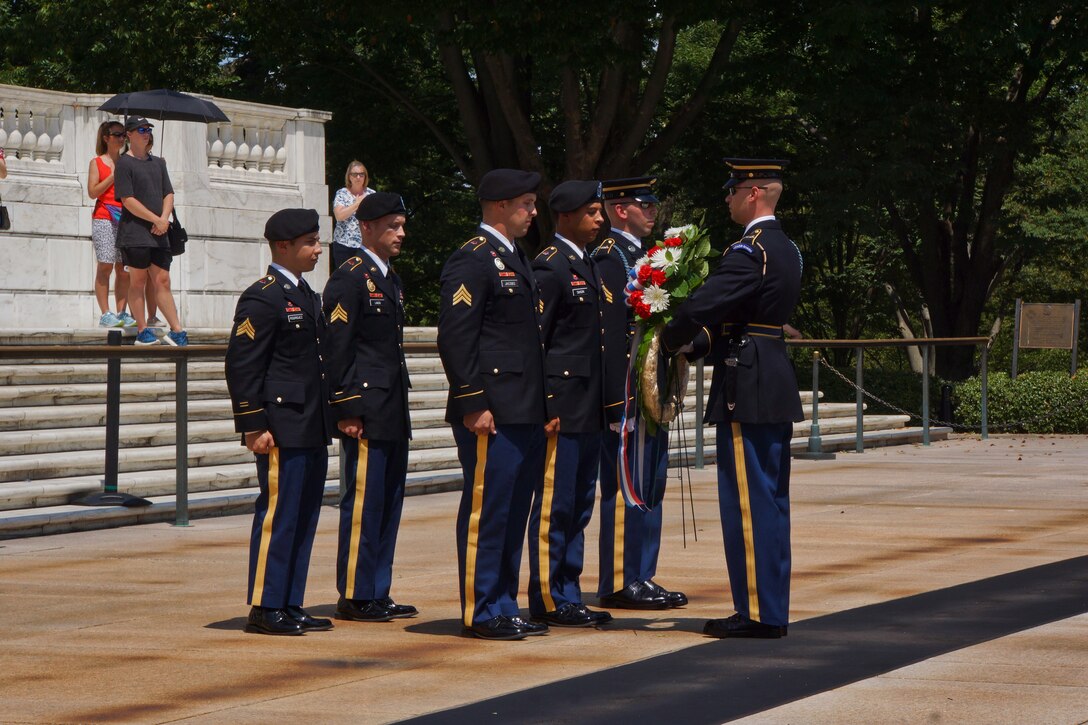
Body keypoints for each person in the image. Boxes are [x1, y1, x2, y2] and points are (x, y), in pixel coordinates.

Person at [661, 158, 804, 639]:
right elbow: (744, 317)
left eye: (733, 190)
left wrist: (669, 335)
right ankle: (769, 608)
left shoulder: (751, 250)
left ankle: (758, 614)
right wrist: (698, 342)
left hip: (748, 382)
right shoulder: (786, 248)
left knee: (748, 503)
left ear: (755, 194)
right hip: (770, 372)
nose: (727, 199)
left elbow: (705, 303)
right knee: (770, 500)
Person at [437, 168, 558, 641]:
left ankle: (504, 602)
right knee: (488, 509)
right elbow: (457, 336)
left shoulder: (515, 257)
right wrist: (472, 400)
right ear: (499, 205)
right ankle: (481, 608)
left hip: (523, 407)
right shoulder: (472, 259)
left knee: (512, 510)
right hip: (491, 409)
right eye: (526, 204)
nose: (532, 212)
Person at [225, 208, 334, 636]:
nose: (317, 249)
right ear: (283, 247)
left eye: (317, 240)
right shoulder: (263, 296)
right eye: (309, 242)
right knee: (279, 514)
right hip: (280, 423)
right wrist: (253, 423)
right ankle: (266, 604)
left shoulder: (307, 294)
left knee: (304, 515)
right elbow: (243, 364)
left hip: (309, 420)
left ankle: (290, 599)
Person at [592, 176, 687, 610]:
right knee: (626, 484)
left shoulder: (649, 257)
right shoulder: (610, 258)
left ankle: (643, 573)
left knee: (651, 482)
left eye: (652, 204)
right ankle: (618, 580)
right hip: (628, 390)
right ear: (619, 209)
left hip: (651, 385)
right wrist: (616, 401)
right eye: (643, 204)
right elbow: (611, 335)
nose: (651, 211)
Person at [323, 192, 417, 623]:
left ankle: (378, 589)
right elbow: (338, 348)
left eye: (401, 225)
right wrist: (346, 407)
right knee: (362, 502)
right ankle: (357, 593)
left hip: (391, 404)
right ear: (366, 228)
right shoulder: (350, 276)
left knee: (388, 501)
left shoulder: (389, 278)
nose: (400, 234)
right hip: (365, 406)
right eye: (392, 226)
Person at [527, 180, 614, 628]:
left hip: (588, 404)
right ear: (564, 216)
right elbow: (537, 341)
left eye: (600, 212)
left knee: (580, 503)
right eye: (592, 212)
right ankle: (547, 595)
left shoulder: (587, 263)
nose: (601, 219)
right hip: (562, 404)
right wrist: (546, 404)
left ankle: (568, 589)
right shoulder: (551, 266)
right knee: (555, 505)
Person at [113, 117, 186, 346]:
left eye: (148, 129)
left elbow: (169, 193)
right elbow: (127, 200)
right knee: (137, 281)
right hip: (135, 233)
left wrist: (164, 219)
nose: (146, 133)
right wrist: (156, 219)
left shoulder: (159, 163)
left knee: (162, 280)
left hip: (159, 232)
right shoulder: (124, 163)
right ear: (130, 134)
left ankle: (177, 329)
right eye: (141, 129)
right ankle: (142, 330)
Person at [87, 120, 134, 328]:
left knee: (124, 269)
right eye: (117, 134)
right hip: (104, 216)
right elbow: (92, 192)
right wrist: (113, 177)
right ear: (106, 138)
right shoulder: (97, 162)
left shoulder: (127, 162)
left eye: (124, 134)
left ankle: (122, 312)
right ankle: (106, 313)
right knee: (105, 265)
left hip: (125, 217)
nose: (122, 138)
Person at [330, 160, 375, 270]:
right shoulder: (342, 193)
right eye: (354, 174)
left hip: (365, 245)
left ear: (365, 176)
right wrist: (357, 204)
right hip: (343, 245)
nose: (358, 177)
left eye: (361, 174)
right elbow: (339, 216)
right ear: (349, 177)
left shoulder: (372, 194)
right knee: (345, 280)